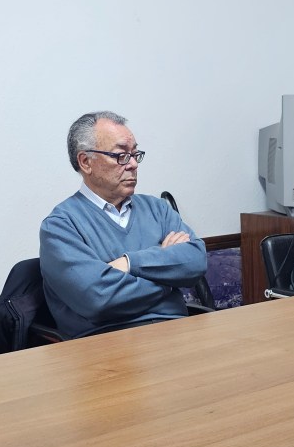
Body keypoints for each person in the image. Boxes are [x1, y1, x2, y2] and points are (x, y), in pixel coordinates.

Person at [39, 111, 207, 339]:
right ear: (86, 162)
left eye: (135, 154)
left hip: (176, 332)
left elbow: (195, 260)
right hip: (108, 343)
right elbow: (98, 298)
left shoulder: (157, 208)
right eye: (121, 156)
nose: (133, 164)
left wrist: (129, 263)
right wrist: (168, 279)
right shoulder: (60, 226)